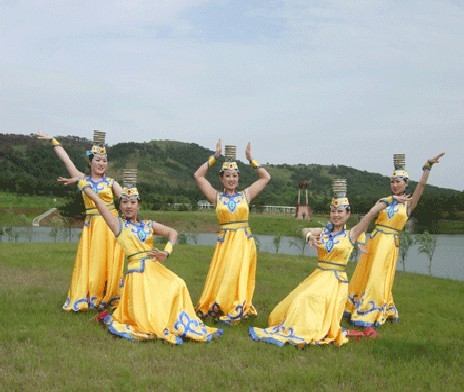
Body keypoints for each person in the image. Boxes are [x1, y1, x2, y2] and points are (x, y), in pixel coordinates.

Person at [59, 171, 222, 344]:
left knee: (178, 284)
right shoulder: (118, 225)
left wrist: (166, 252)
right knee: (148, 317)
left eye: (132, 202)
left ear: (138, 205)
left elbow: (172, 232)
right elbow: (99, 202)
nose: (128, 206)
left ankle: (179, 322)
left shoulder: (148, 224)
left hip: (154, 269)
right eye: (125, 202)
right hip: (137, 275)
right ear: (120, 206)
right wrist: (82, 183)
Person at [248, 179, 402, 347]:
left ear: (347, 214)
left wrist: (390, 200)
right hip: (318, 276)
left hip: (335, 283)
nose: (336, 215)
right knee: (285, 308)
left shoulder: (351, 234)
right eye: (333, 211)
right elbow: (304, 229)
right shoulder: (323, 232)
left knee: (307, 299)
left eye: (340, 211)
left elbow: (371, 214)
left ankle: (306, 329)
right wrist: (308, 236)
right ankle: (295, 325)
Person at [345, 152, 445, 328]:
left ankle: (371, 310)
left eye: (398, 181)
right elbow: (368, 219)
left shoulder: (408, 204)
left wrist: (427, 167)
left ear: (406, 184)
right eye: (392, 181)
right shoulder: (384, 201)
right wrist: (360, 240)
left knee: (379, 275)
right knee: (365, 273)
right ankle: (355, 304)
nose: (394, 184)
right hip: (374, 240)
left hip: (389, 243)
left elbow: (422, 185)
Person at [37, 131, 124, 312]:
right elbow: (65, 159)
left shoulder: (112, 183)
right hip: (93, 227)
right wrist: (54, 142)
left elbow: (126, 199)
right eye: (97, 160)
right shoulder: (82, 178)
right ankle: (93, 295)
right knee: (94, 262)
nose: (101, 164)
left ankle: (111, 295)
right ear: (90, 162)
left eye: (104, 161)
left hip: (112, 226)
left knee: (112, 262)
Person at [194, 139, 271, 325]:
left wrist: (251, 160)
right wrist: (215, 157)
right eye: (227, 176)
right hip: (225, 242)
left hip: (243, 242)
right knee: (225, 274)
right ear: (221, 178)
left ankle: (236, 305)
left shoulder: (246, 194)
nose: (231, 179)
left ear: (238, 177)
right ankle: (220, 303)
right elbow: (198, 176)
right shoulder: (216, 197)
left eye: (234, 176)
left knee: (237, 274)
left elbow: (265, 177)